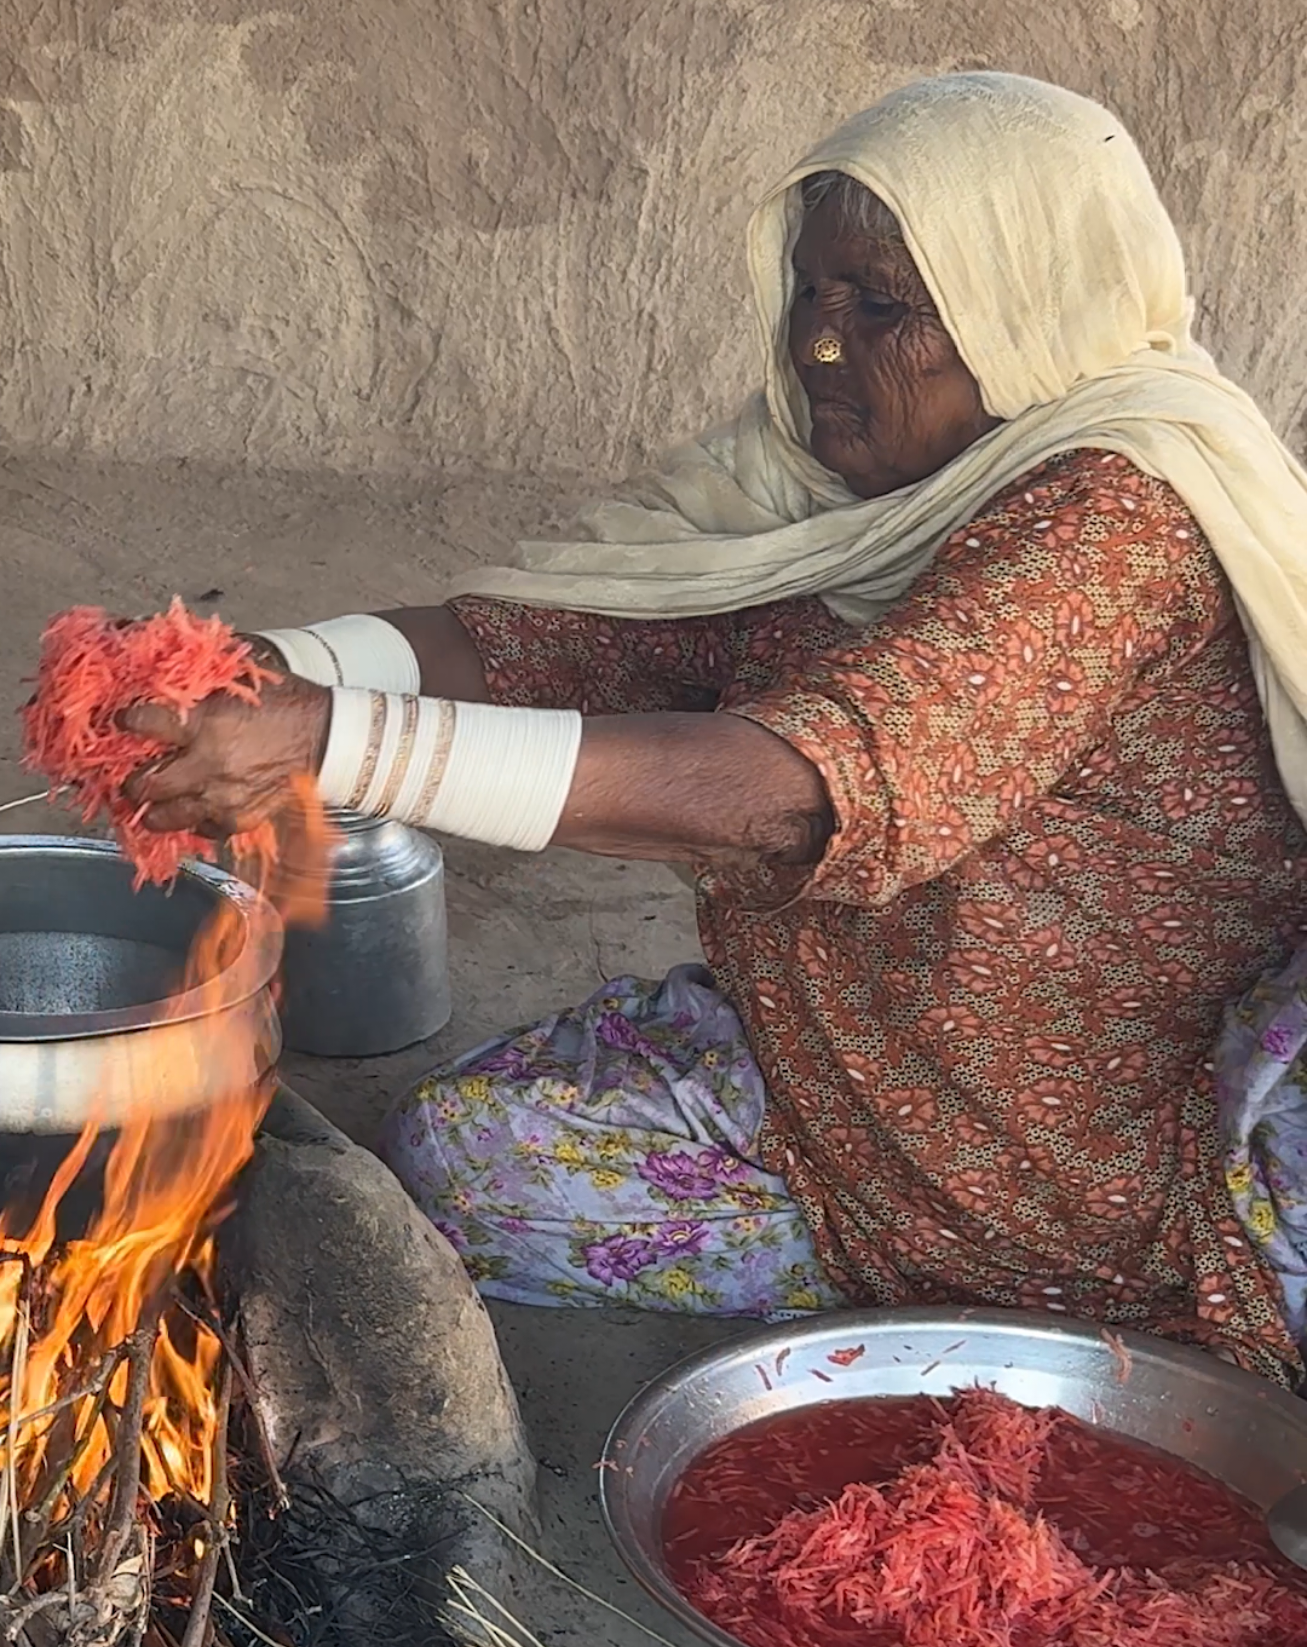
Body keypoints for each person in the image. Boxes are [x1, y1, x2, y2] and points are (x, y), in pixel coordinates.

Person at [119, 73, 1307, 1385]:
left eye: (881, 307)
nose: (817, 344)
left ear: (1022, 308)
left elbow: (794, 793)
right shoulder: (825, 478)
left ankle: (1042, 1293)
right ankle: (900, 1254)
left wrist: (338, 742)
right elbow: (563, 631)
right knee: (461, 1161)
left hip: (1112, 1143)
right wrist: (255, 668)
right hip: (838, 1067)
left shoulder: (1113, 519)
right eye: (810, 293)